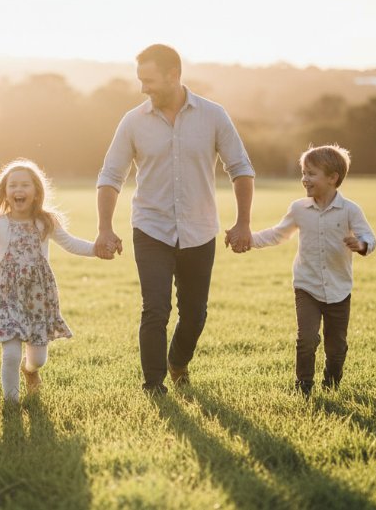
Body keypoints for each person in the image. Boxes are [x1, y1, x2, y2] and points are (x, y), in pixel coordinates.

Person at [96, 44, 256, 395]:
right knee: (155, 309)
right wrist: (105, 229)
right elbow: (110, 176)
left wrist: (242, 222)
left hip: (199, 230)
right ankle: (153, 386)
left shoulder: (213, 116)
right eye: (140, 80)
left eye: (149, 80)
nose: (143, 88)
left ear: (174, 75)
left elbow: (241, 169)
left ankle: (178, 361)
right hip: (150, 228)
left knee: (195, 315)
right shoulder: (133, 122)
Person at [0, 158, 99, 403]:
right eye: (12, 185)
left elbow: (71, 243)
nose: (18, 190)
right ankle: (11, 404)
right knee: (11, 353)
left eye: (25, 185)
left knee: (38, 359)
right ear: (5, 193)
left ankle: (30, 370)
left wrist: (97, 249)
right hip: (5, 295)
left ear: (36, 192)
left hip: (38, 296)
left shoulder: (45, 222)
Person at [248, 144, 376, 396]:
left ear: (332, 178)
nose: (304, 179)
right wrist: (248, 240)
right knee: (306, 339)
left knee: (336, 346)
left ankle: (331, 383)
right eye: (304, 173)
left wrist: (361, 244)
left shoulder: (350, 210)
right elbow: (278, 234)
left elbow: (369, 237)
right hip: (306, 285)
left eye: (311, 173)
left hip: (339, 288)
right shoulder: (299, 208)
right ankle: (303, 386)